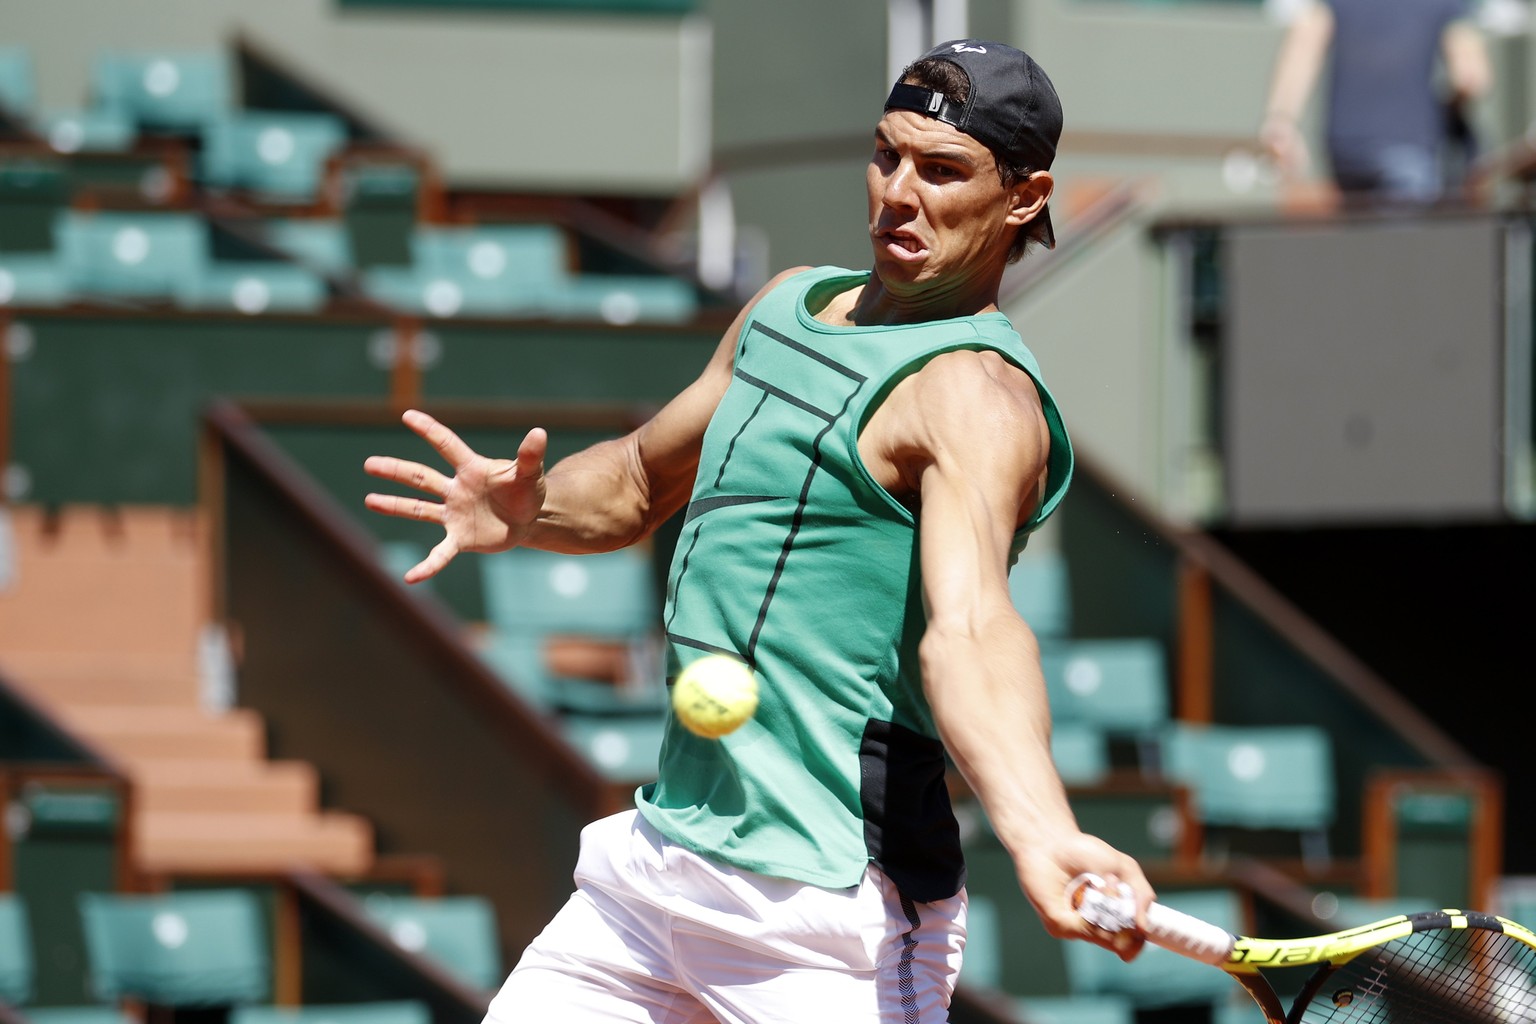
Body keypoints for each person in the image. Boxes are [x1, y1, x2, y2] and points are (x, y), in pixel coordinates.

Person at [364, 38, 1155, 1023]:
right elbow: (640, 478)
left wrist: (1041, 832)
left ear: (1025, 199)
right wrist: (530, 510)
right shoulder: (786, 306)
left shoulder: (976, 397)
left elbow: (973, 630)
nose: (898, 193)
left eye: (943, 171)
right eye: (886, 155)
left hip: (827, 913)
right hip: (656, 875)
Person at [1260, 0, 1491, 206]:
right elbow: (1470, 77)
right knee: (1407, 250)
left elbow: (1305, 41)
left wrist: (1281, 119)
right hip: (1409, 145)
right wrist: (1450, 113)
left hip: (1344, 148)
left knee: (1364, 247)